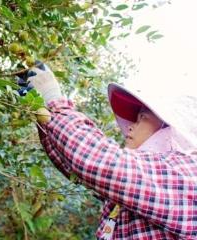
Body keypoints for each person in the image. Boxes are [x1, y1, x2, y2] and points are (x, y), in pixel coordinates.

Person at [17, 62, 197, 239]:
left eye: (141, 118)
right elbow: (74, 167)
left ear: (170, 129)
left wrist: (52, 98)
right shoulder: (137, 188)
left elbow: (96, 161)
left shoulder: (188, 175)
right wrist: (39, 108)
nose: (130, 128)